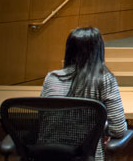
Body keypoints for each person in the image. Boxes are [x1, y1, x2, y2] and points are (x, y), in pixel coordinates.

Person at [41, 27, 128, 161]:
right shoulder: (104, 80)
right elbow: (119, 129)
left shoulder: (52, 78)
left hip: (49, 155)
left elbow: (44, 117)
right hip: (87, 156)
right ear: (98, 51)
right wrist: (103, 130)